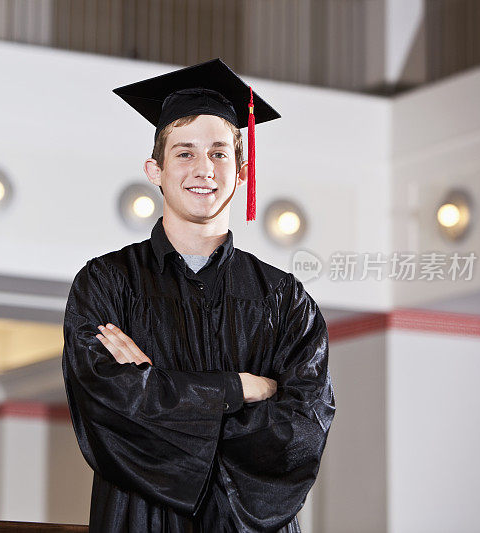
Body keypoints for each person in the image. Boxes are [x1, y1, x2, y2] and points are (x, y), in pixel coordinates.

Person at [62, 59, 335, 533]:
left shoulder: (284, 300)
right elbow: (105, 411)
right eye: (184, 153)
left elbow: (301, 433)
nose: (203, 168)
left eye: (219, 153)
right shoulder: (105, 285)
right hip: (139, 522)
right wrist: (239, 389)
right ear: (156, 170)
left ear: (242, 169)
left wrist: (157, 392)